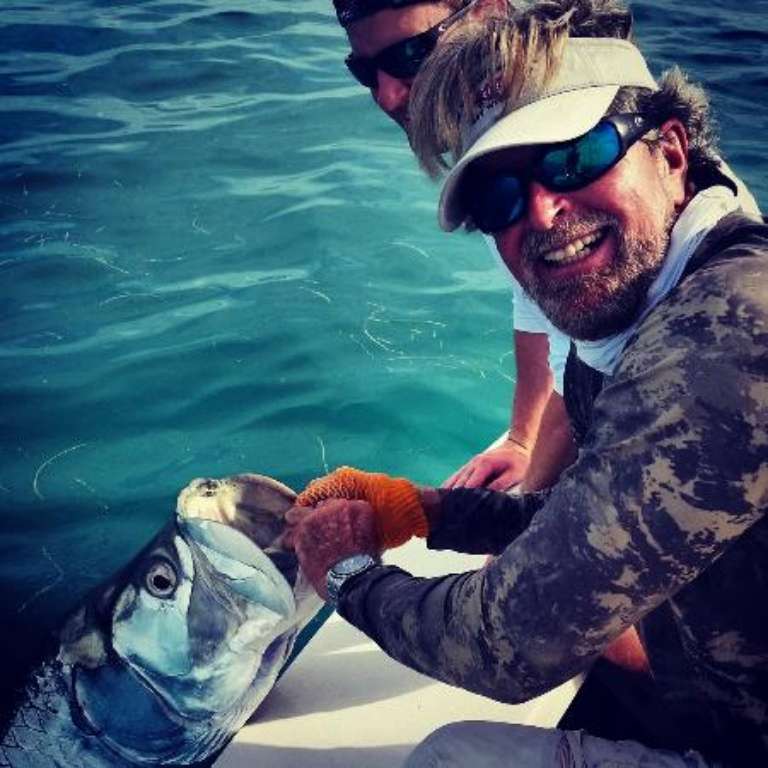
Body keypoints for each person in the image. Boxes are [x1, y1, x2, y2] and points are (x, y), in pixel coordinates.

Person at [286, 1, 768, 765]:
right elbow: (602, 510)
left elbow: (501, 649)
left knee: (451, 757)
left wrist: (343, 574)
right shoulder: (661, 281)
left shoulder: (723, 338)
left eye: (573, 158)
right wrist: (430, 512)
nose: (541, 211)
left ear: (671, 150)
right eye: (498, 198)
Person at [335, 0, 576, 493]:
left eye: (408, 56)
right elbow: (533, 297)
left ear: (488, 12)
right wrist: (523, 439)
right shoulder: (494, 144)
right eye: (365, 71)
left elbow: (603, 361)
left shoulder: (565, 151)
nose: (385, 96)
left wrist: (522, 515)